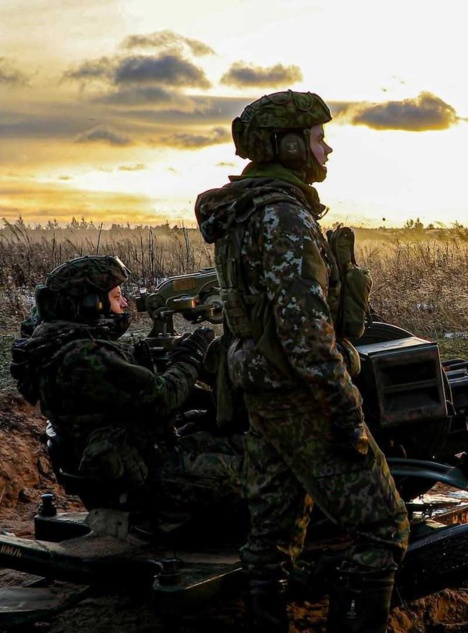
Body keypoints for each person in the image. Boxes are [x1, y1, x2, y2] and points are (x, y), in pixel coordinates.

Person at [194, 90, 407, 633]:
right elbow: (306, 335)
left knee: (273, 534)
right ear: (288, 146)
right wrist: (346, 410)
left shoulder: (244, 211)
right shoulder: (285, 218)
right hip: (302, 395)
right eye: (318, 138)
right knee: (383, 526)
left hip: (264, 392)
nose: (326, 149)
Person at [9, 255, 243, 523]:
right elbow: (163, 396)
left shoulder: (58, 343)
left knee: (236, 441)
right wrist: (191, 355)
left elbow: (136, 397)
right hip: (145, 475)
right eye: (116, 296)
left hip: (135, 454)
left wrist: (205, 405)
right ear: (91, 304)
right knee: (263, 469)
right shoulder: (83, 357)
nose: (124, 304)